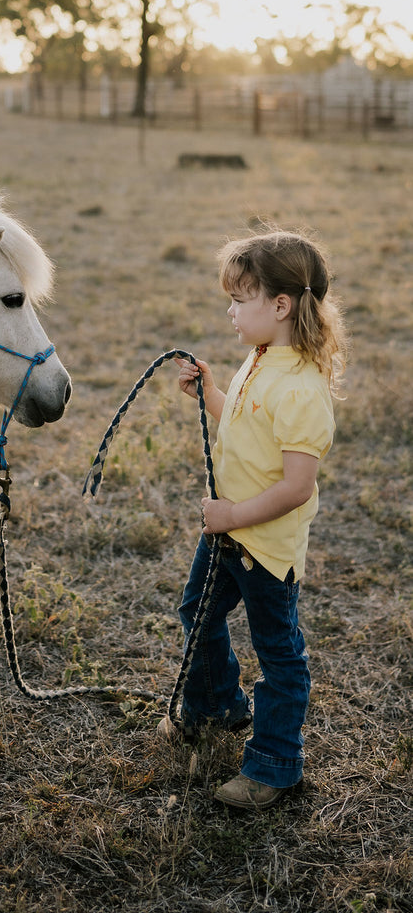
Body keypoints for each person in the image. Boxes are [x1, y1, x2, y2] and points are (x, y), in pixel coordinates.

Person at [160, 226, 347, 811]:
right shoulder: (259, 359)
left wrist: (232, 514)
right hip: (227, 533)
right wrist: (213, 394)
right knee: (198, 611)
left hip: (264, 545)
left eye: (240, 300)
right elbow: (242, 424)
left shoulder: (302, 390)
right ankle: (216, 704)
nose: (230, 311)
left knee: (279, 655)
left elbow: (296, 486)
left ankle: (274, 763)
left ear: (281, 305)